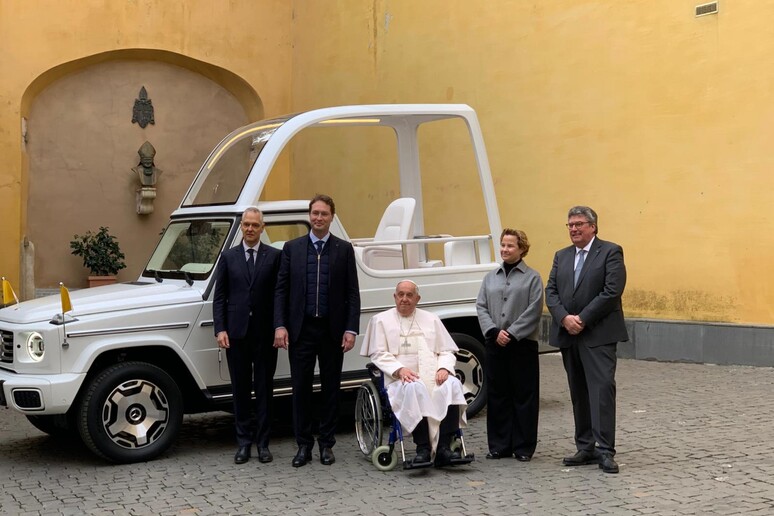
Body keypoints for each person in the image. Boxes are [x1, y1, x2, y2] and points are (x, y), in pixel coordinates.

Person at [273, 194, 361, 467]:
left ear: (332, 217)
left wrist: (351, 329)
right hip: (301, 331)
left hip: (332, 332)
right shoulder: (292, 249)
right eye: (315, 213)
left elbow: (352, 294)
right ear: (309, 216)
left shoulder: (344, 250)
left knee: (331, 389)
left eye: (324, 214)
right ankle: (303, 446)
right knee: (300, 390)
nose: (319, 218)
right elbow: (281, 290)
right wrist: (280, 325)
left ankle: (326, 444)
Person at [545, 206, 628, 474]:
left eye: (579, 224)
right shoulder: (562, 256)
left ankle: (605, 450)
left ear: (593, 226)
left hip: (598, 335)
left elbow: (611, 291)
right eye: (570, 225)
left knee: (601, 391)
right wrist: (564, 318)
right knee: (578, 393)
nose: (574, 229)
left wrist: (581, 318)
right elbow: (552, 291)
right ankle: (585, 446)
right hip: (569, 335)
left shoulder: (610, 252)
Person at [360, 280, 469, 468]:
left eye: (409, 295)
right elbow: (378, 353)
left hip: (432, 374)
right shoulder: (381, 320)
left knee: (452, 384)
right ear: (394, 297)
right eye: (400, 294)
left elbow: (446, 351)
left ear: (417, 299)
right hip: (399, 379)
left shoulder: (431, 319)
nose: (404, 299)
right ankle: (423, 448)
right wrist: (400, 370)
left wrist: (444, 368)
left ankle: (444, 447)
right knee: (415, 387)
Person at [213, 207, 281, 464]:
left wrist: (279, 326)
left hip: (265, 336)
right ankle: (243, 444)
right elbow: (220, 297)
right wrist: (220, 329)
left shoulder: (274, 256)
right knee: (240, 391)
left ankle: (263, 444)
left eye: (255, 225)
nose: (250, 229)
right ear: (241, 227)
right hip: (236, 334)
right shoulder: (228, 257)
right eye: (246, 225)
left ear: (262, 228)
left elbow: (279, 296)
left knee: (264, 390)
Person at [476, 228, 544, 462]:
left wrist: (512, 333)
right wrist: (494, 332)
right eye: (503, 245)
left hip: (522, 345)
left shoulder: (532, 278)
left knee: (524, 395)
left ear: (522, 249)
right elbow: (481, 306)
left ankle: (523, 447)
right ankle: (499, 445)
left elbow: (534, 310)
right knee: (497, 395)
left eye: (510, 246)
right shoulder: (490, 277)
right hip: (495, 343)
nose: (505, 249)